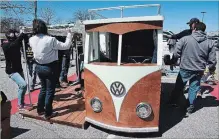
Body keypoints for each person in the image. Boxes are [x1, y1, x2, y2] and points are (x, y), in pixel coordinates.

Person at [168, 22, 217, 117]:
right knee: (193, 88)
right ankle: (190, 106)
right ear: (204, 30)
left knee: (179, 86)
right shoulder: (210, 42)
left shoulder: (185, 39)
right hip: (198, 70)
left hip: (185, 68)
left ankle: (172, 102)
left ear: (194, 29)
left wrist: (173, 61)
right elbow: (212, 60)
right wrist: (211, 69)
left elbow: (176, 53)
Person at [29, 19, 73, 120]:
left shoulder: (31, 39)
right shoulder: (50, 39)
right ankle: (48, 113)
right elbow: (66, 46)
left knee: (43, 89)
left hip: (39, 67)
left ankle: (40, 110)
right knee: (50, 91)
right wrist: (69, 34)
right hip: (50, 67)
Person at [2, 29, 28, 111]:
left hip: (19, 69)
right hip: (11, 71)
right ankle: (20, 105)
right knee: (23, 85)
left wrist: (24, 35)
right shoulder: (5, 45)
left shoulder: (17, 43)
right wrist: (20, 36)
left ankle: (22, 102)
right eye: (12, 34)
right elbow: (14, 44)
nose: (14, 35)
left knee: (24, 87)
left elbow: (25, 41)